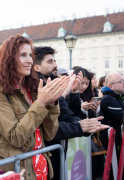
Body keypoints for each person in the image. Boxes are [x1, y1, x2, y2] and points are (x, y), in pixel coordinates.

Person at [0, 35, 70, 180]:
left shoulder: (33, 88)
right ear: (9, 59)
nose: (30, 60)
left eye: (30, 55)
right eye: (23, 55)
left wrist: (53, 103)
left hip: (41, 167)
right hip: (19, 170)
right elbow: (16, 137)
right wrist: (41, 103)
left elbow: (49, 134)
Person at [33, 46, 108, 180]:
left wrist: (85, 125)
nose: (55, 65)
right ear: (37, 67)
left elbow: (67, 113)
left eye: (54, 61)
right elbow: (46, 126)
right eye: (50, 62)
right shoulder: (33, 89)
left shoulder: (53, 85)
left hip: (54, 152)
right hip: (40, 152)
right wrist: (80, 127)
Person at [69, 68, 105, 179]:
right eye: (82, 83)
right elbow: (70, 116)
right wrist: (82, 109)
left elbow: (92, 117)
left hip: (87, 139)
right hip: (74, 140)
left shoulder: (89, 94)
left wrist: (95, 109)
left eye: (87, 84)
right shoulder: (68, 95)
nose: (83, 86)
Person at [100, 73, 124, 179]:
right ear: (111, 86)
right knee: (115, 171)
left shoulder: (118, 97)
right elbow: (122, 117)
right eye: (120, 82)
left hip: (119, 140)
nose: (123, 84)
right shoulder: (107, 99)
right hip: (114, 142)